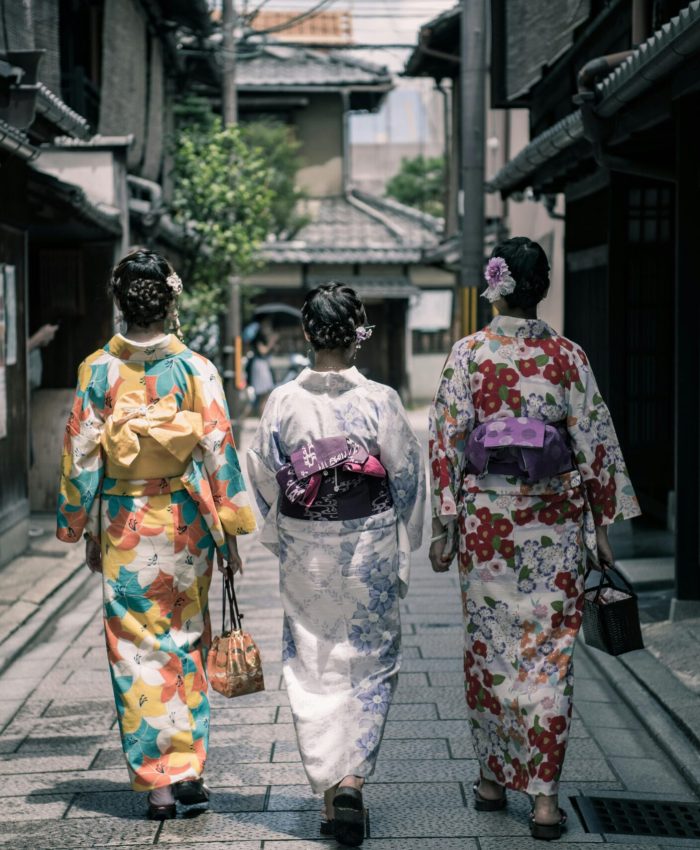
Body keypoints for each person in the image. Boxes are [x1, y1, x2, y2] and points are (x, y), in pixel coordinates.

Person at [428, 237, 640, 841]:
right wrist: (601, 528)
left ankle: (493, 779)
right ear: (541, 287)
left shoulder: (468, 355)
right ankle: (544, 798)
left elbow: (447, 443)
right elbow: (595, 442)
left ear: (493, 286)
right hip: (554, 524)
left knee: (491, 650)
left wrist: (445, 527)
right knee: (549, 657)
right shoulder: (568, 357)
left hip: (488, 527)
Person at [56, 249, 256, 820]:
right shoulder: (196, 368)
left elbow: (81, 455)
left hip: (124, 519)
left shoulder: (98, 369)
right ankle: (189, 768)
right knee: (186, 637)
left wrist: (80, 523)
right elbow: (219, 445)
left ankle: (160, 785)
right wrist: (232, 526)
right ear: (170, 301)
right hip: (186, 518)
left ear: (120, 302)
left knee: (136, 650)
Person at [247, 283, 425, 847]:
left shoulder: (282, 401)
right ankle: (352, 780)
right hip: (368, 539)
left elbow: (262, 473)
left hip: (306, 541)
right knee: (369, 661)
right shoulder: (380, 400)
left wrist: (281, 527)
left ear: (306, 335)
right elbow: (405, 476)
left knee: (313, 659)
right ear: (358, 333)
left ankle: (330, 794)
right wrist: (409, 532)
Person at [246, 327, 278, 415]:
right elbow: (263, 351)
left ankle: (261, 417)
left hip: (262, 366)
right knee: (262, 396)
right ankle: (260, 418)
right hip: (260, 367)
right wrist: (271, 342)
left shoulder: (262, 340)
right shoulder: (258, 340)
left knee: (264, 396)